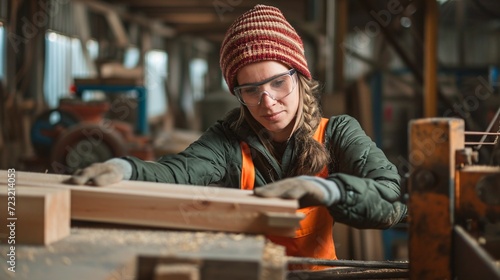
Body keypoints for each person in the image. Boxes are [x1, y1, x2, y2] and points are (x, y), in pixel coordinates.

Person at [70, 4, 407, 270]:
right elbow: (179, 172)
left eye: (278, 82)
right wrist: (126, 168)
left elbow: (389, 198)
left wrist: (326, 188)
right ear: (238, 94)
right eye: (250, 89)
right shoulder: (228, 140)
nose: (268, 101)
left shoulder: (338, 133)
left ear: (300, 77)